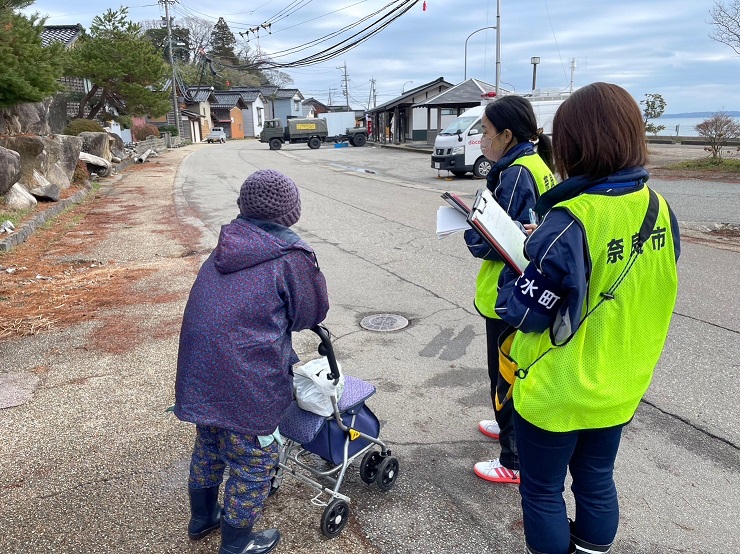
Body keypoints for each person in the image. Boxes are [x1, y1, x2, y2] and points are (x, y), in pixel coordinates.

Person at [495, 82, 680, 554]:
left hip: (560, 386)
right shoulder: (659, 209)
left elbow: (528, 313)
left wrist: (526, 266)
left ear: (577, 145)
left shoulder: (572, 217)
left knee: (541, 490)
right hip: (623, 378)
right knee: (596, 480)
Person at [174, 169, 330, 554]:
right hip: (246, 380)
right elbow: (311, 313)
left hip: (199, 373)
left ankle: (202, 520)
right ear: (290, 212)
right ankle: (237, 543)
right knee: (251, 462)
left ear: (244, 206)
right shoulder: (289, 256)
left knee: (210, 445)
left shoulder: (226, 246)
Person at [464, 95, 557, 485]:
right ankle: (507, 431)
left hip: (509, 292)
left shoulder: (517, 173)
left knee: (505, 372)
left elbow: (496, 239)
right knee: (513, 369)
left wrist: (470, 229)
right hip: (526, 289)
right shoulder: (537, 164)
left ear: (505, 134)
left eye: (485, 131)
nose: (482, 138)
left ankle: (513, 459)